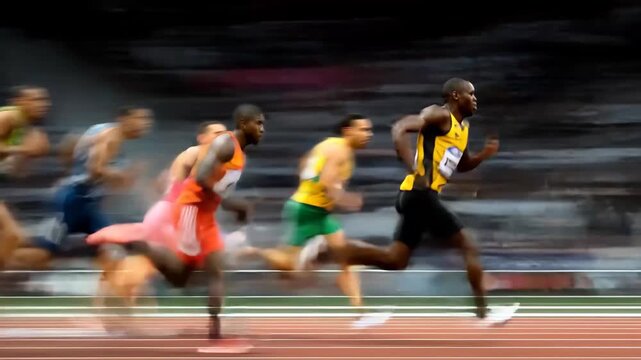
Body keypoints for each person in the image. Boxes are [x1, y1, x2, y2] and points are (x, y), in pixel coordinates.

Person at [341, 78, 519, 324]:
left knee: (396, 260)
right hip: (418, 193)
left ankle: (342, 253)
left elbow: (462, 165)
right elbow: (399, 129)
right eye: (471, 94)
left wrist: (482, 156)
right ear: (456, 96)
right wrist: (416, 168)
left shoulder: (462, 128)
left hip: (419, 197)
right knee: (468, 244)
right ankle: (483, 313)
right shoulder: (439, 114)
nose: (475, 99)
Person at [130, 104, 264, 353]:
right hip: (191, 209)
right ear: (244, 123)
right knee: (191, 273)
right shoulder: (226, 144)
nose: (262, 129)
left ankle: (216, 335)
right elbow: (201, 177)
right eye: (258, 123)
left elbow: (216, 184)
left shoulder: (239, 153)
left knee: (203, 274)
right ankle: (140, 245)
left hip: (206, 214)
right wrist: (231, 204)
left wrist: (229, 205)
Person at [244, 114, 388, 328]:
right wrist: (346, 199)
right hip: (307, 210)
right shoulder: (341, 151)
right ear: (348, 131)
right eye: (363, 130)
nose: (369, 134)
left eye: (369, 130)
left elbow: (304, 165)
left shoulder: (327, 145)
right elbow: (327, 181)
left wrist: (311, 187)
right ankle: (254, 251)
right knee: (291, 271)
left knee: (347, 259)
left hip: (316, 210)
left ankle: (360, 312)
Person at [0, 85, 51, 176]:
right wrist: (25, 149)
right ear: (19, 101)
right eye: (36, 100)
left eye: (45, 100)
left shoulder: (26, 123)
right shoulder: (7, 116)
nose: (44, 104)